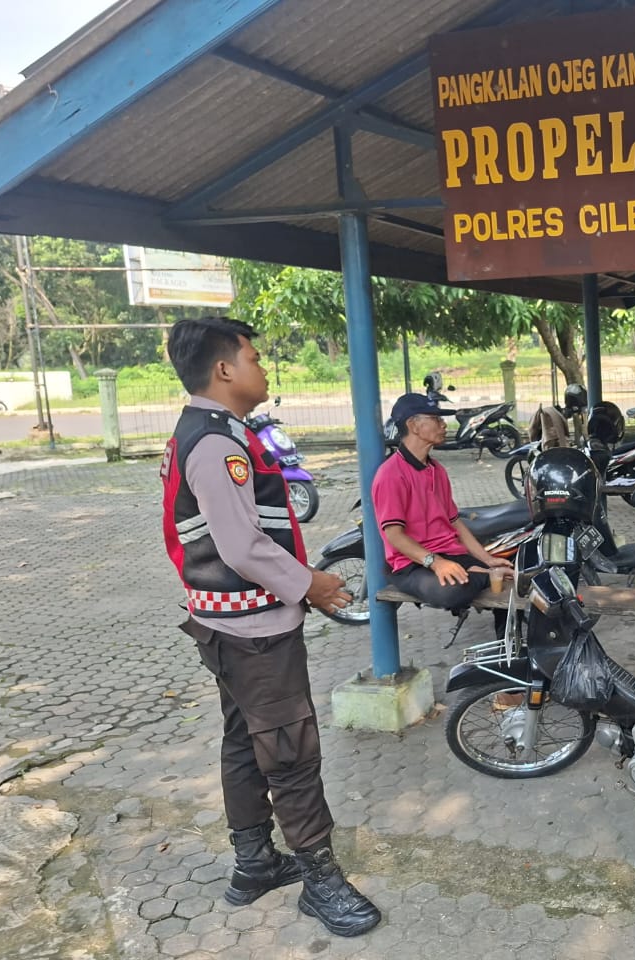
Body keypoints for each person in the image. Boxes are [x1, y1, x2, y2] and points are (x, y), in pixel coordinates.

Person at [160, 317, 380, 938]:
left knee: (243, 738)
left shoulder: (208, 431)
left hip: (226, 624)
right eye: (254, 358)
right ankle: (320, 881)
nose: (262, 369)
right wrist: (312, 583)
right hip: (252, 631)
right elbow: (242, 546)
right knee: (290, 751)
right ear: (224, 369)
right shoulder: (216, 444)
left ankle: (254, 863)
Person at [372, 393, 513, 616]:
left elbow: (455, 522)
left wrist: (488, 559)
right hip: (412, 563)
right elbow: (395, 536)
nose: (443, 424)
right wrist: (436, 562)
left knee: (509, 569)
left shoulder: (437, 470)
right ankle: (481, 575)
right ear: (413, 426)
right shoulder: (391, 474)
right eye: (436, 419)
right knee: (451, 592)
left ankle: (482, 574)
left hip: (450, 554)